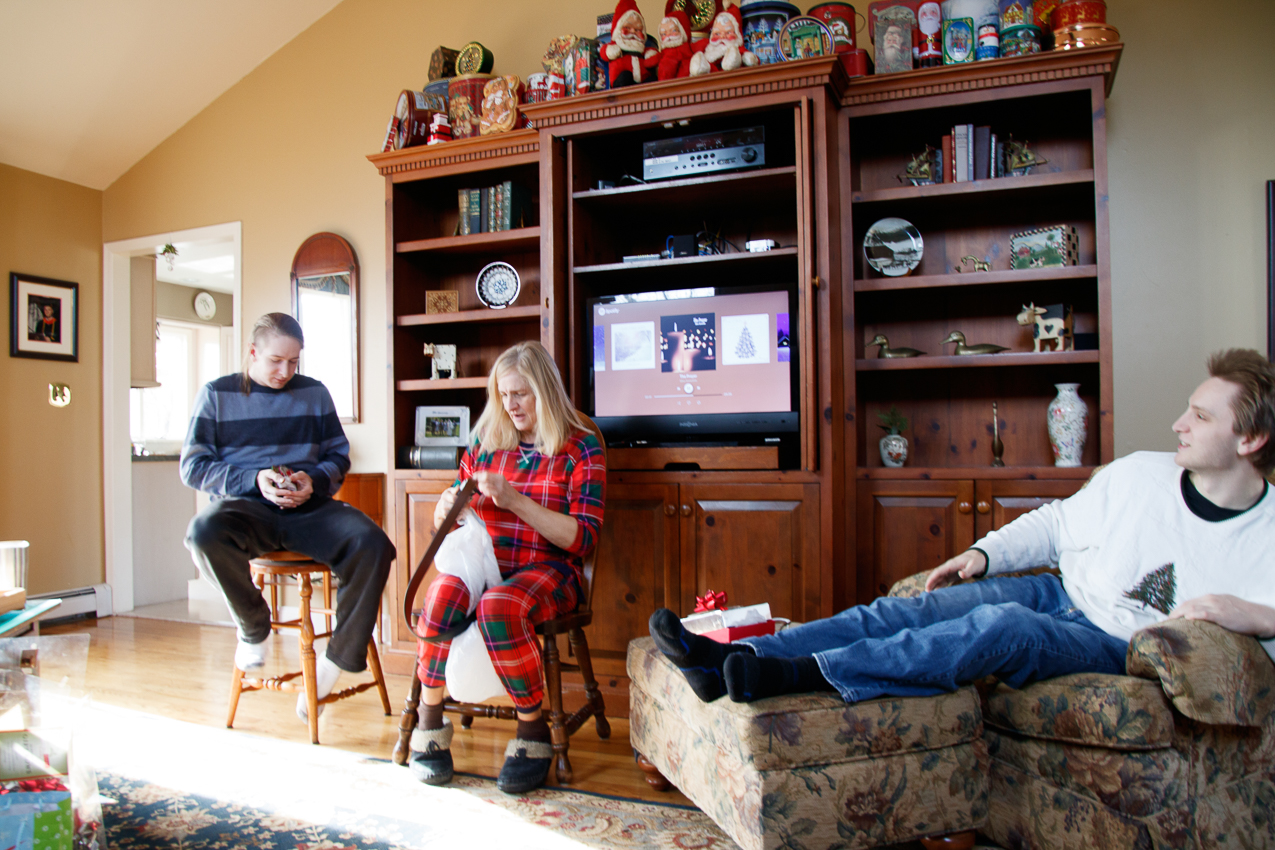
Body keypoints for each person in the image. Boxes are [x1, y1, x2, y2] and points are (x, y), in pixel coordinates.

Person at [651, 349, 1275, 706]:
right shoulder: (1141, 473)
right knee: (906, 609)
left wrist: (1260, 616)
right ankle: (736, 656)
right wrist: (983, 552)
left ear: (1250, 439)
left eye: (1198, 415)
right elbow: (1058, 523)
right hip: (1057, 592)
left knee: (997, 628)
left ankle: (790, 676)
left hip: (1114, 645)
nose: (1178, 425)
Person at [408, 341, 605, 794]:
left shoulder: (580, 446)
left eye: (521, 394)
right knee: (440, 597)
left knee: (499, 605)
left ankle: (532, 732)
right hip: (486, 561)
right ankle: (430, 725)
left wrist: (514, 500)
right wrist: (445, 508)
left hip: (551, 571)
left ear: (546, 391)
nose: (510, 405)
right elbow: (457, 503)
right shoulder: (486, 439)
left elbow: (583, 538)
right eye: (503, 394)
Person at [181, 312, 395, 721]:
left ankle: (336, 661)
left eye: (294, 362)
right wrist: (253, 479)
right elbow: (193, 467)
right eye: (276, 361)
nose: (286, 371)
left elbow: (338, 456)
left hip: (308, 509)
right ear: (252, 353)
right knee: (202, 533)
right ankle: (254, 624)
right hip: (246, 508)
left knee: (373, 543)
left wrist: (312, 480)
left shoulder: (315, 394)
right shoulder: (216, 394)